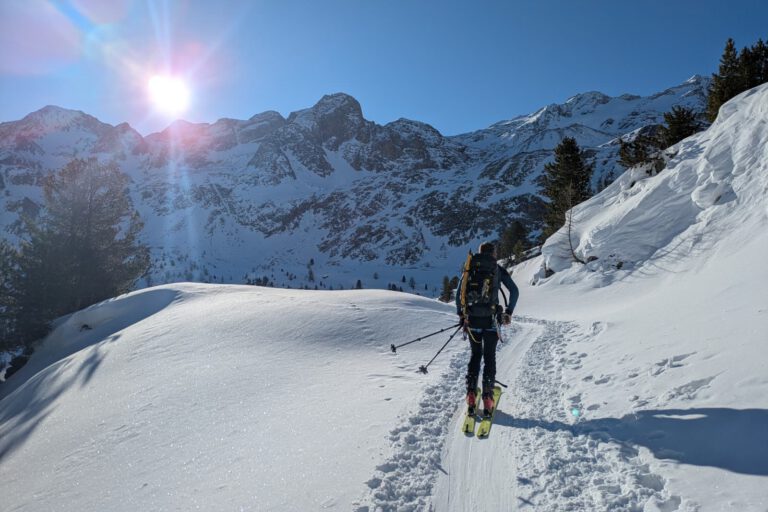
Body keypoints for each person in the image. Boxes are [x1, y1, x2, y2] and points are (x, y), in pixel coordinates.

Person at [455, 241, 519, 414]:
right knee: (489, 357)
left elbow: (459, 294)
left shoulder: (470, 269)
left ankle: (470, 394)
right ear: (494, 254)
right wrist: (509, 311)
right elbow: (514, 291)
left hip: (472, 322)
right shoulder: (496, 269)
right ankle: (488, 398)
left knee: (475, 355)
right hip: (491, 322)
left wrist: (462, 315)